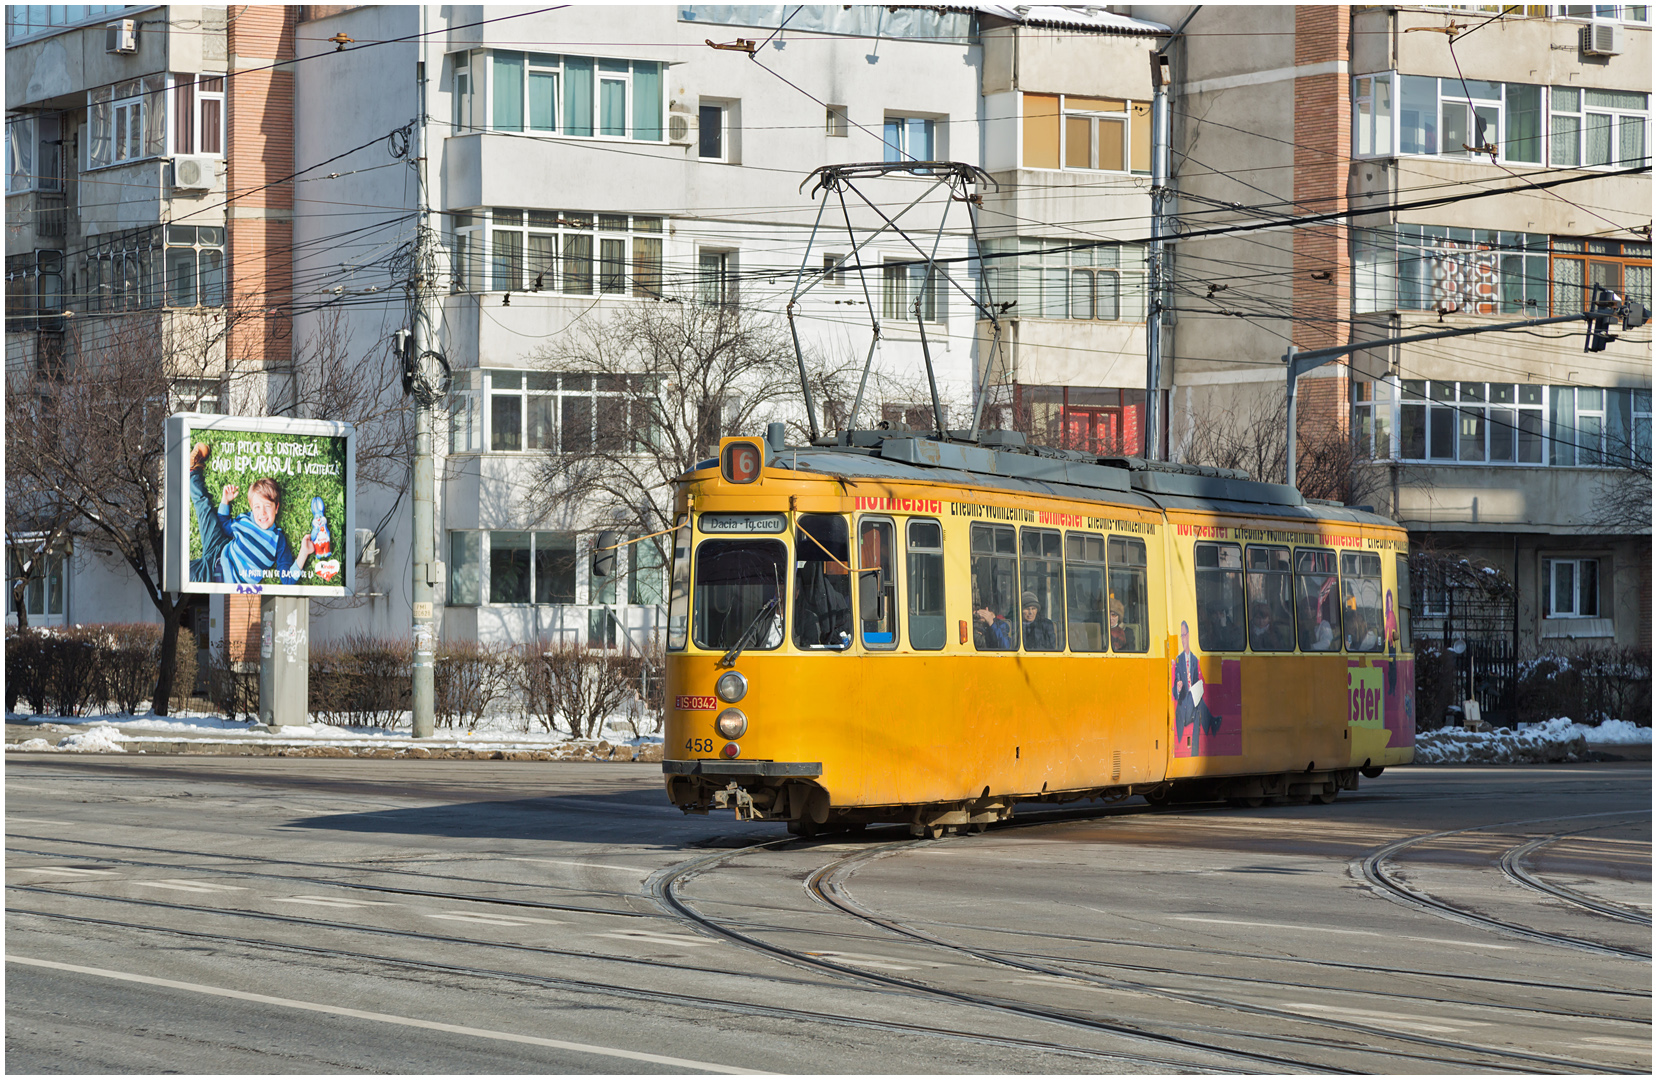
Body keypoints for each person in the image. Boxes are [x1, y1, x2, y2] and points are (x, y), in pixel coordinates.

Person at [188, 442, 312, 586]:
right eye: (257, 507)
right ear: (251, 508)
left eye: (267, 506)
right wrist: (225, 501)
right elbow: (224, 526)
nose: (262, 513)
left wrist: (304, 552)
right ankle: (192, 471)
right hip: (218, 550)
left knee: (186, 576)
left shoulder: (278, 541)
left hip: (215, 579)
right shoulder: (246, 520)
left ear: (276, 508)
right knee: (204, 508)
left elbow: (287, 580)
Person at [1171, 620, 1217, 756]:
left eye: (1185, 635)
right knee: (1198, 704)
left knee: (1198, 703)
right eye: (1181, 636)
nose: (1183, 638)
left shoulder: (1194, 659)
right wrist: (1178, 688)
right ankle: (1213, 722)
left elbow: (1198, 681)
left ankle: (1195, 752)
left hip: (1193, 701)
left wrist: (1197, 688)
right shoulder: (1178, 660)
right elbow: (1175, 690)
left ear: (1189, 635)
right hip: (1184, 703)